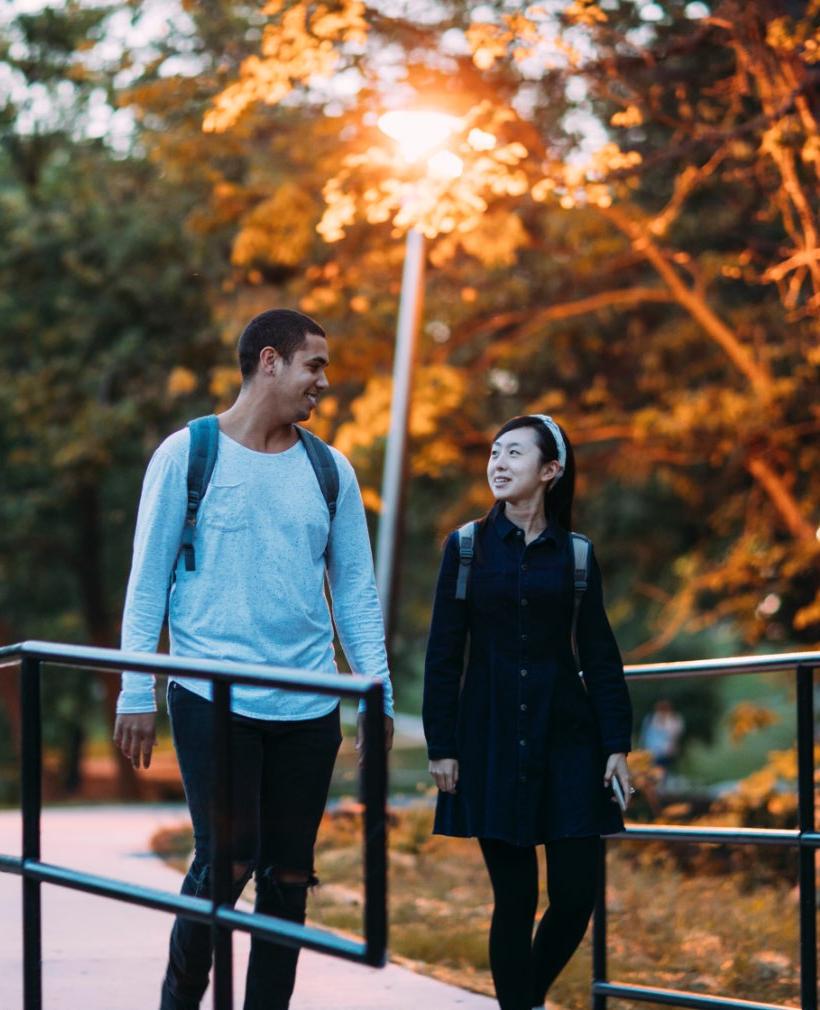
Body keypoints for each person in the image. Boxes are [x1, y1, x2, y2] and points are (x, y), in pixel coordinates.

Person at [113, 308, 394, 1010]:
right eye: (315, 365)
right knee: (224, 863)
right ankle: (180, 1000)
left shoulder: (331, 470)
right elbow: (147, 580)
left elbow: (355, 594)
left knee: (289, 877)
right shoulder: (189, 453)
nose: (323, 382)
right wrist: (135, 689)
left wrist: (375, 693)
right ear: (270, 361)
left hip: (308, 705)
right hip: (213, 696)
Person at [423, 414, 633, 1010]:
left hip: (568, 740)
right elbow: (444, 652)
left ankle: (520, 1000)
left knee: (575, 895)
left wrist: (616, 742)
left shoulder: (576, 556)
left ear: (550, 470)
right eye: (493, 453)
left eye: (514, 453)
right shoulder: (465, 548)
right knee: (514, 899)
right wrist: (443, 745)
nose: (498, 463)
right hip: (489, 739)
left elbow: (600, 655)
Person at [640, 698, 685, 778]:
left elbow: (675, 734)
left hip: (667, 753)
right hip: (652, 752)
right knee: (654, 772)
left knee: (664, 771)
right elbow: (645, 736)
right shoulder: (650, 719)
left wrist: (668, 721)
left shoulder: (674, 719)